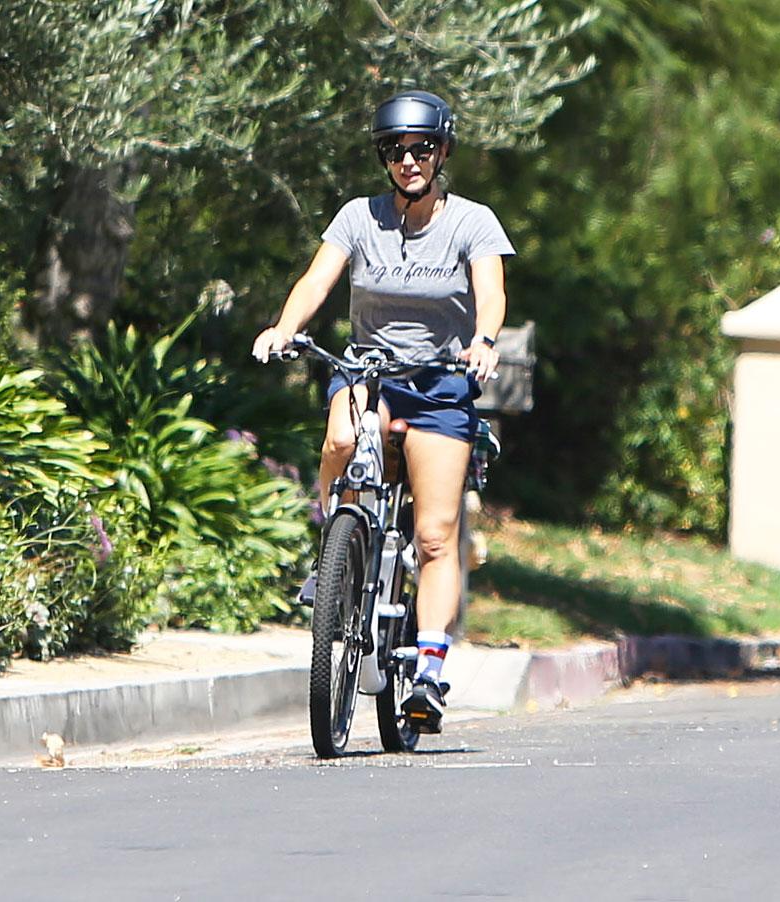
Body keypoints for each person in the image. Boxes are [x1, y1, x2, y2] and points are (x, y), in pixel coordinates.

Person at [251, 90, 514, 733]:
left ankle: (427, 667)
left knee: (434, 535)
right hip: (369, 371)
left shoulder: (472, 221)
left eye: (421, 149)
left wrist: (483, 343)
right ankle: (334, 543)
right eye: (396, 151)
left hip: (441, 383)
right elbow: (318, 280)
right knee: (341, 440)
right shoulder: (358, 217)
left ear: (443, 151)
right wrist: (284, 328)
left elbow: (491, 291)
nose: (409, 161)